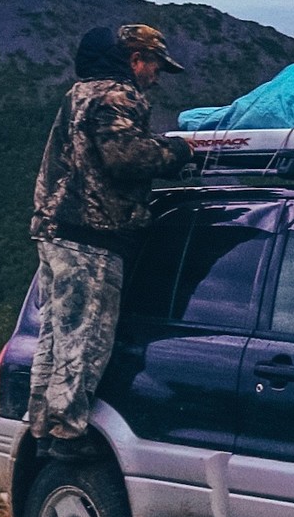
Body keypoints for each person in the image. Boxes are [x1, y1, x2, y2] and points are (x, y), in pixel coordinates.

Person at [26, 23, 195, 460]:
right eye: (155, 65)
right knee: (88, 334)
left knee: (56, 334)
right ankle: (67, 435)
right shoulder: (117, 96)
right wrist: (177, 153)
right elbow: (125, 157)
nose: (156, 76)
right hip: (93, 232)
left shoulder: (80, 93)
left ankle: (42, 427)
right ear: (135, 60)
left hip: (56, 228)